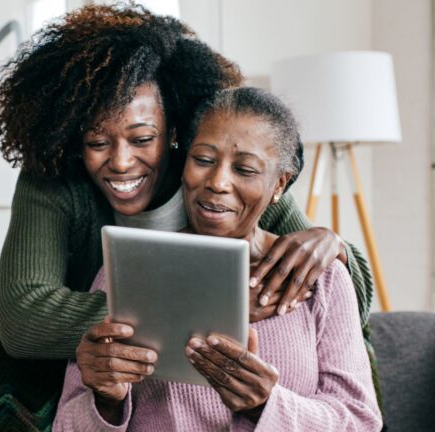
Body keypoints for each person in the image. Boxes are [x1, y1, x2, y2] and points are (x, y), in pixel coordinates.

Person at [0, 3, 374, 366]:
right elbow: (24, 321)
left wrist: (334, 246)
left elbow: (351, 304)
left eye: (142, 139)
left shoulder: (217, 178)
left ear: (174, 133)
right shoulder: (55, 176)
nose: (121, 162)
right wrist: (211, 305)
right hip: (110, 385)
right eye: (97, 142)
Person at [53, 87, 382, 431]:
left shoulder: (324, 278)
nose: (217, 182)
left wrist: (267, 406)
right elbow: (66, 425)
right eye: (204, 160)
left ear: (279, 185)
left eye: (245, 169)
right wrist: (106, 401)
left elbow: (361, 422)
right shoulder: (129, 267)